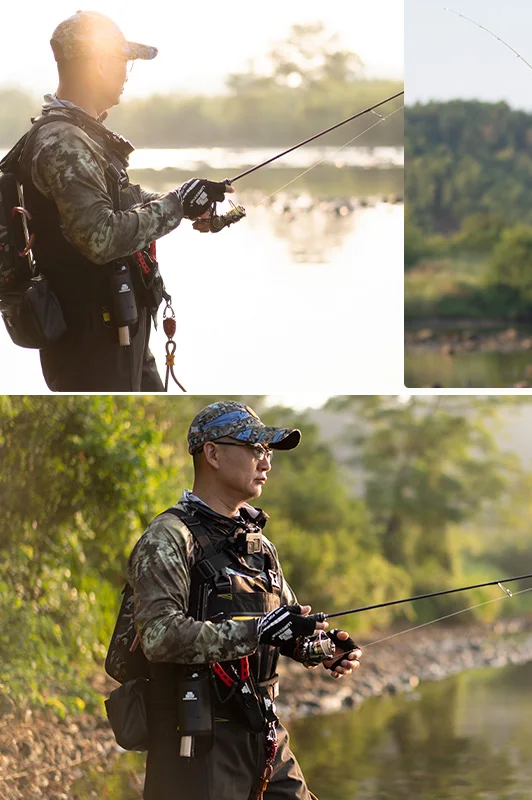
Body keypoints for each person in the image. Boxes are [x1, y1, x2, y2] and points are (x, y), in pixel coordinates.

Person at [128, 401, 361, 800]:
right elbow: (158, 636)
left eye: (267, 451)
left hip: (265, 735)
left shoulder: (259, 545)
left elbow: (284, 627)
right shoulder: (169, 537)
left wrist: (323, 648)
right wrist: (258, 631)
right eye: (255, 449)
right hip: (196, 743)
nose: (266, 462)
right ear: (212, 454)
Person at [3, 11, 233, 391]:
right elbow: (101, 237)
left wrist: (184, 203)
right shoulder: (63, 142)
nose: (126, 75)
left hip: (122, 331)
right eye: (123, 63)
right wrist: (176, 205)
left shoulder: (80, 133)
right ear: (97, 63)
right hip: (92, 345)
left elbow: (122, 199)